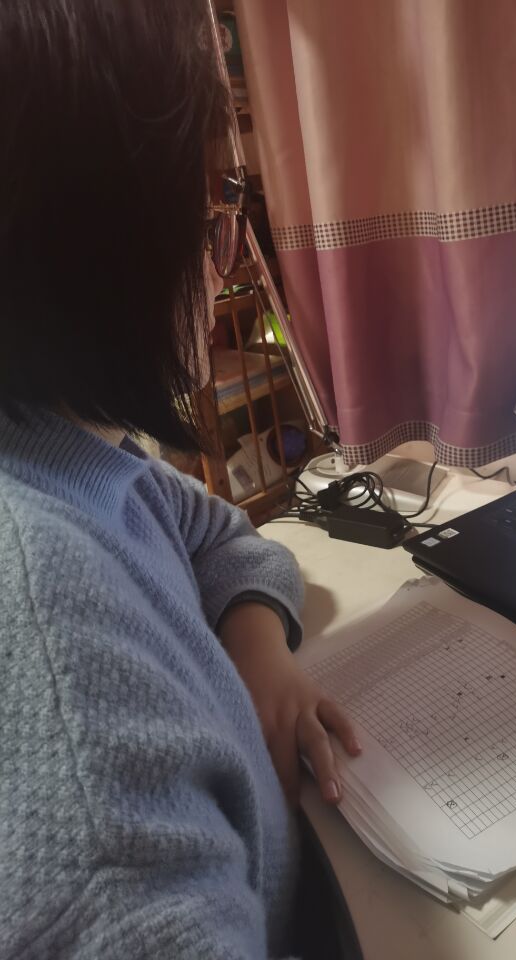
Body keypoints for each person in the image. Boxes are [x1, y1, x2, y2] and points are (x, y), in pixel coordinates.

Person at [0, 2, 359, 957]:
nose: (225, 266)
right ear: (94, 247)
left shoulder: (88, 459)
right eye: (212, 222)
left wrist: (258, 650)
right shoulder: (54, 636)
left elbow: (222, 536)